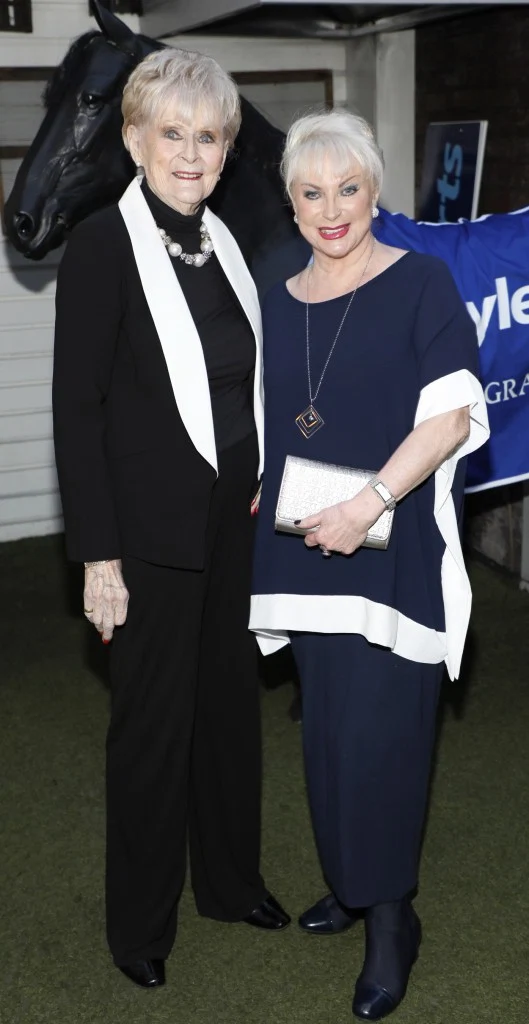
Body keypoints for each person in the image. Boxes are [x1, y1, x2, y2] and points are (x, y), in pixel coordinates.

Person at [52, 48, 290, 990]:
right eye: (173, 133)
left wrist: (265, 468)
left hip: (234, 516)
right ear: (134, 139)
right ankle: (139, 926)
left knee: (229, 711)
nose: (191, 153)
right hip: (147, 535)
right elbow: (78, 411)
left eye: (209, 136)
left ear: (226, 150)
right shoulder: (100, 247)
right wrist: (97, 557)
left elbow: (246, 380)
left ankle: (230, 885)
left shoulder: (222, 241)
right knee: (152, 730)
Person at [250, 110, 489, 1021]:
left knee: (382, 741)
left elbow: (451, 415)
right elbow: (273, 412)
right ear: (291, 202)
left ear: (374, 190)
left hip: (390, 550)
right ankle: (352, 885)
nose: (331, 210)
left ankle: (392, 919)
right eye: (311, 193)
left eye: (347, 188)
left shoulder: (420, 282)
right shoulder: (276, 294)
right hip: (305, 548)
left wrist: (371, 504)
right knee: (326, 737)